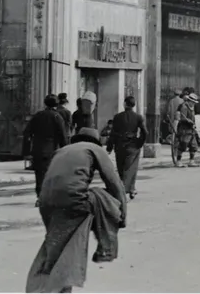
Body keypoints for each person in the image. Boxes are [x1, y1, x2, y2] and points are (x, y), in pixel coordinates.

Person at [26, 127, 126, 293]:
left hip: (46, 203)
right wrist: (121, 217)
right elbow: (115, 185)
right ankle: (106, 248)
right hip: (74, 201)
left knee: (56, 246)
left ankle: (47, 286)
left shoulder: (61, 151)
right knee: (101, 196)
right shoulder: (95, 149)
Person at [23, 94, 69, 206]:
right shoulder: (57, 117)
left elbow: (27, 133)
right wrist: (66, 151)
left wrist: (26, 151)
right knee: (52, 175)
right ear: (56, 104)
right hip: (52, 151)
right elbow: (63, 136)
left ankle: (40, 197)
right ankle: (49, 198)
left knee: (39, 175)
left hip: (38, 150)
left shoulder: (38, 116)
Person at [107, 96, 147, 200]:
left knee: (121, 168)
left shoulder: (117, 117)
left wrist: (109, 147)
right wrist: (140, 142)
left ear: (124, 104)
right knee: (131, 168)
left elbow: (113, 134)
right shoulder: (138, 117)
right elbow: (145, 132)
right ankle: (129, 189)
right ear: (134, 105)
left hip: (120, 145)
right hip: (133, 145)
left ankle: (125, 188)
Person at [176, 93, 200, 167]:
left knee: (193, 145)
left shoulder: (192, 108)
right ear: (189, 101)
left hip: (191, 129)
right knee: (183, 145)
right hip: (184, 129)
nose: (193, 104)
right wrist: (188, 121)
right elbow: (183, 118)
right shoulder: (184, 107)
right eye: (193, 102)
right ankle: (178, 161)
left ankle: (191, 161)